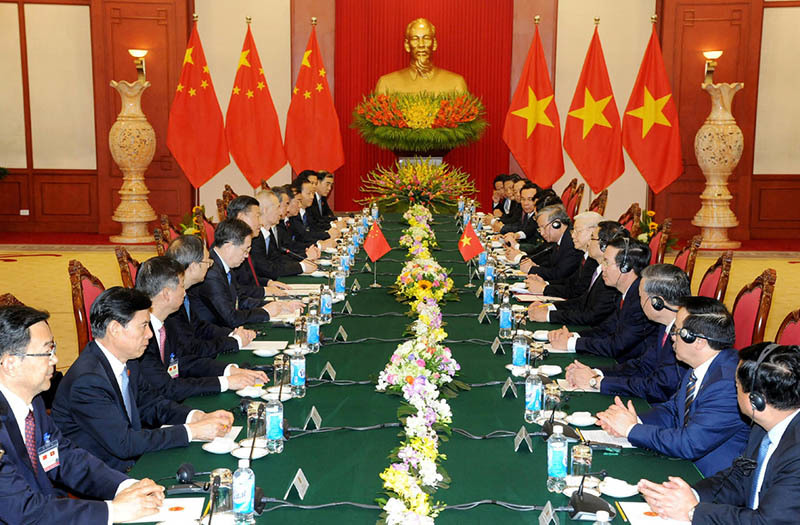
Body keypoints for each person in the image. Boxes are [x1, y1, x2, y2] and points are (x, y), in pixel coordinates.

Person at [0, 305, 165, 524]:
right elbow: (23, 511)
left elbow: (64, 457)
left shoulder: (33, 403)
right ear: (10, 363)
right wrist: (114, 511)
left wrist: (125, 486)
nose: (55, 360)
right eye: (47, 351)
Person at [52, 287, 235, 472]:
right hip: (106, 474)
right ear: (115, 329)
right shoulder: (87, 381)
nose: (149, 334)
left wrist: (198, 417)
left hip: (133, 458)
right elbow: (124, 443)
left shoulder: (129, 360)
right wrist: (193, 431)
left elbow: (151, 404)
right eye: (143, 326)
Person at [638, 343, 800, 524]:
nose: (733, 390)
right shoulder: (763, 426)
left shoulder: (796, 454)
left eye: (736, 385)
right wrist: (692, 495)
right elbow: (740, 477)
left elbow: (768, 522)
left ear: (755, 400)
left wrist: (693, 511)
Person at [596, 296, 749, 477]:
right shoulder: (700, 365)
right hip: (684, 464)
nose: (672, 337)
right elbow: (673, 410)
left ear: (698, 341)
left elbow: (689, 444)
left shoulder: (728, 384)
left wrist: (631, 430)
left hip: (709, 479)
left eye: (677, 331)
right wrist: (634, 420)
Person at [135, 256, 267, 402]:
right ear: (166, 294)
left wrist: (231, 371)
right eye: (181, 286)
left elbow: (185, 361)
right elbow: (168, 388)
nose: (185, 292)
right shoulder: (141, 336)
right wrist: (225, 382)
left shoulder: (168, 322)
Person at [566, 263, 690, 403]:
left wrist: (597, 382)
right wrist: (595, 372)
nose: (639, 302)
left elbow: (657, 388)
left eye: (641, 297)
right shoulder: (664, 326)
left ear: (657, 303)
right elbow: (642, 366)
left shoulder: (682, 339)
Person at [548, 237, 657, 363]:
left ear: (625, 267)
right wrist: (573, 336)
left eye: (606, 262)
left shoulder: (640, 302)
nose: (602, 268)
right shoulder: (626, 293)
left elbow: (616, 346)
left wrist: (571, 343)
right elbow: (606, 328)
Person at [190, 218, 301, 329]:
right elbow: (230, 318)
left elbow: (241, 300)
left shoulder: (224, 264)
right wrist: (265, 312)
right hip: (213, 333)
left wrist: (278, 305)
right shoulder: (211, 273)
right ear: (229, 247)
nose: (247, 255)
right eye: (245, 250)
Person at [165, 235, 256, 358]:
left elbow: (199, 327)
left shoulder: (186, 291)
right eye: (207, 261)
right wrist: (234, 342)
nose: (210, 265)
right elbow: (191, 348)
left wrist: (232, 334)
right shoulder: (171, 302)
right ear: (193, 266)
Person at [527, 220, 623, 327]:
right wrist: (549, 307)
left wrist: (548, 315)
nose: (589, 242)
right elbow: (582, 300)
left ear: (604, 246)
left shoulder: (611, 276)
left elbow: (591, 315)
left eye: (592, 237)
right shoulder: (599, 268)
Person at [374, 17, 468, 94]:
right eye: (415, 39)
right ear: (407, 45)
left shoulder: (456, 84)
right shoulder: (386, 85)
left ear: (434, 44)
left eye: (426, 38)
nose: (421, 45)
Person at [523, 210, 603, 299]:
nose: (572, 236)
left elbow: (577, 292)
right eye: (573, 231)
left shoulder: (595, 260)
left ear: (593, 233)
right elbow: (570, 282)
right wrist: (545, 283)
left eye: (578, 231)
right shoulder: (586, 256)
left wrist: (544, 288)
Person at [226, 195, 291, 296]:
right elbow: (235, 290)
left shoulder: (244, 242)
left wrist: (268, 283)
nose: (261, 222)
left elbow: (250, 278)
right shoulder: (231, 248)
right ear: (241, 217)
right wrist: (264, 291)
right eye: (257, 216)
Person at [251, 189, 315, 279]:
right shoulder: (255, 237)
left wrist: (303, 258)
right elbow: (267, 269)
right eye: (277, 207)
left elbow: (278, 259)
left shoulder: (267, 233)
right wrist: (301, 267)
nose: (280, 212)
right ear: (265, 210)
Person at [518, 204, 584, 282]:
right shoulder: (558, 240)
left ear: (556, 224)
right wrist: (536, 266)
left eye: (543, 227)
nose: (542, 233)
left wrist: (532, 269)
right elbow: (550, 264)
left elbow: (559, 275)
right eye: (540, 229)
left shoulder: (572, 242)